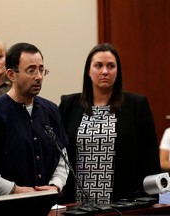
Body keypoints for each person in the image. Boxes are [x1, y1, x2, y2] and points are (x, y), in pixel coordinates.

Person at [58, 43, 161, 205]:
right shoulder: (69, 105)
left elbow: (150, 160)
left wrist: (151, 200)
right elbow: (58, 155)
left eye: (111, 66)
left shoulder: (136, 105)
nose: (105, 71)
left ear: (118, 71)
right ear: (88, 71)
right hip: (76, 204)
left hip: (124, 203)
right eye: (98, 65)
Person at [0, 42, 69, 201]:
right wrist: (13, 190)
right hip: (5, 206)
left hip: (46, 204)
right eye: (31, 71)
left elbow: (62, 157)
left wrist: (55, 185)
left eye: (41, 70)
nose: (38, 76)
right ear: (11, 75)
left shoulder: (51, 110)